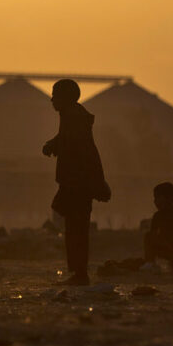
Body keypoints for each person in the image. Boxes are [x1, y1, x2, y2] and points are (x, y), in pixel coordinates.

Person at [43, 79, 110, 286]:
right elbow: (67, 139)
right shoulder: (73, 116)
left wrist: (97, 182)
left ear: (66, 98)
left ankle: (80, 274)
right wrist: (54, 144)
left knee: (76, 228)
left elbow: (83, 150)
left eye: (56, 95)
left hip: (77, 183)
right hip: (76, 181)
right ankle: (78, 272)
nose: (52, 99)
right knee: (75, 226)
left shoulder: (74, 118)